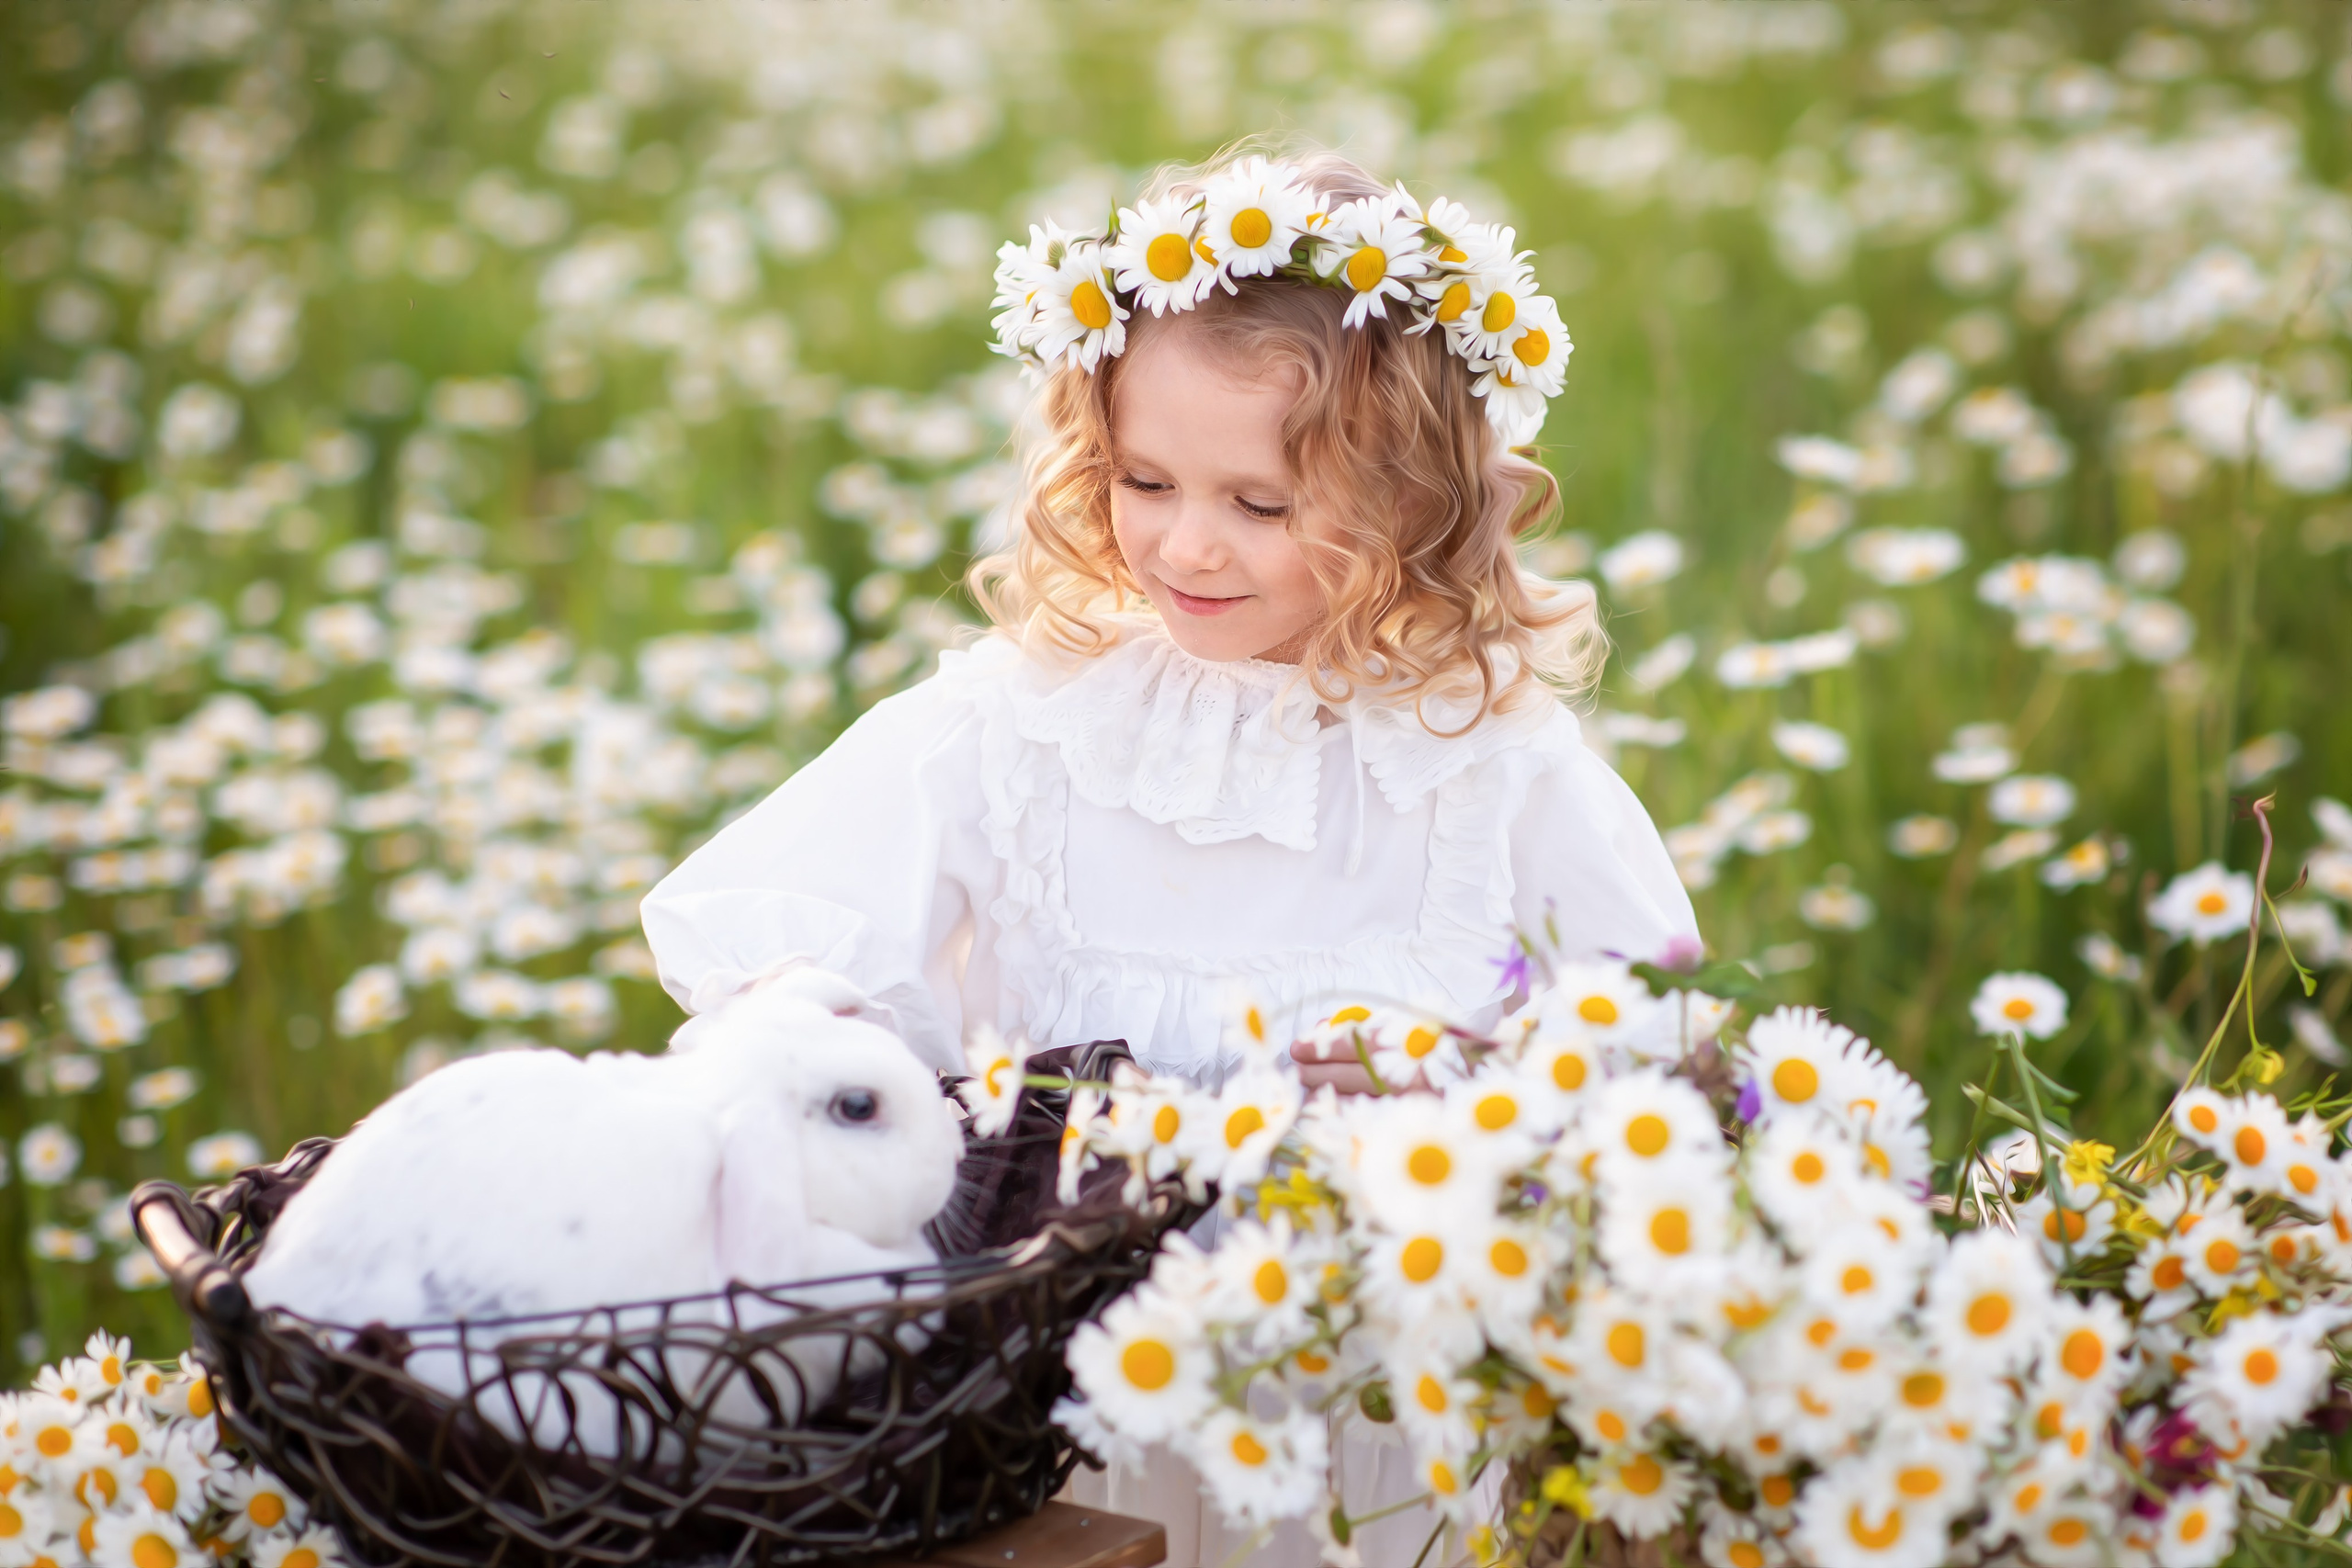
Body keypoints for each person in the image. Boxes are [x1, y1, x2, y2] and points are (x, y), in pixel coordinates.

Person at [641, 143, 1698, 1565]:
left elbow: (1654, 1046)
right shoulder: (1026, 722)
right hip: (1068, 1380)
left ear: (1411, 498)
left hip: (1367, 1396)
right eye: (1146, 480)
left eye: (1261, 505)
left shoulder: (1482, 762)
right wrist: (842, 1057)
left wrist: (1478, 1084)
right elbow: (801, 956)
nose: (1187, 546)